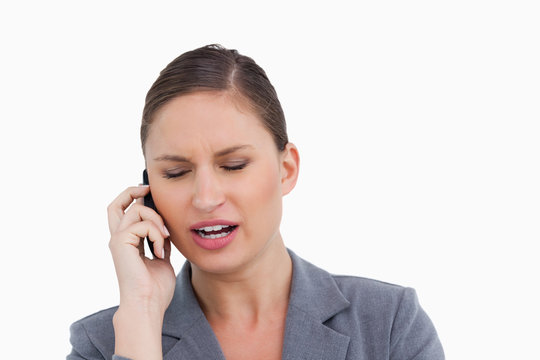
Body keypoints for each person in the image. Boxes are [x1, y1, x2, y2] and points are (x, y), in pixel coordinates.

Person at [67, 44, 444, 360]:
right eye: (176, 173)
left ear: (286, 169)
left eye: (233, 165)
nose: (206, 198)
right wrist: (143, 315)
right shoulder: (101, 344)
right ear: (147, 190)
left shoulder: (389, 325)